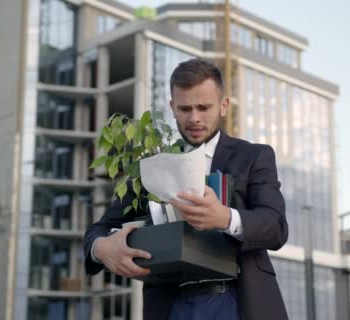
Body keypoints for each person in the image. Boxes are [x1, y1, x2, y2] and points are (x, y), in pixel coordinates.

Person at [83, 59, 289, 320]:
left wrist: (225, 217)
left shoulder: (254, 156)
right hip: (171, 306)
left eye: (204, 107)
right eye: (185, 108)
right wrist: (101, 248)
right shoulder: (153, 163)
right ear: (172, 108)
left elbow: (276, 225)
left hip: (237, 302)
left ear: (224, 106)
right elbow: (97, 230)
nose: (194, 118)